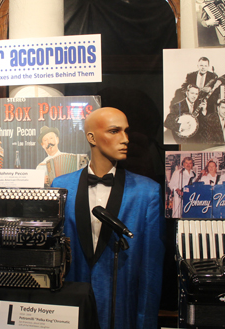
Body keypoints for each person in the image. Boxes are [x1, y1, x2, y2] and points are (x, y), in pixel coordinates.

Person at [52, 107, 164, 329]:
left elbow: (151, 268)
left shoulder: (148, 192)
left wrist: (145, 322)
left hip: (121, 310)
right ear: (91, 137)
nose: (125, 139)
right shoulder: (61, 186)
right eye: (115, 131)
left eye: (126, 131)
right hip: (71, 311)